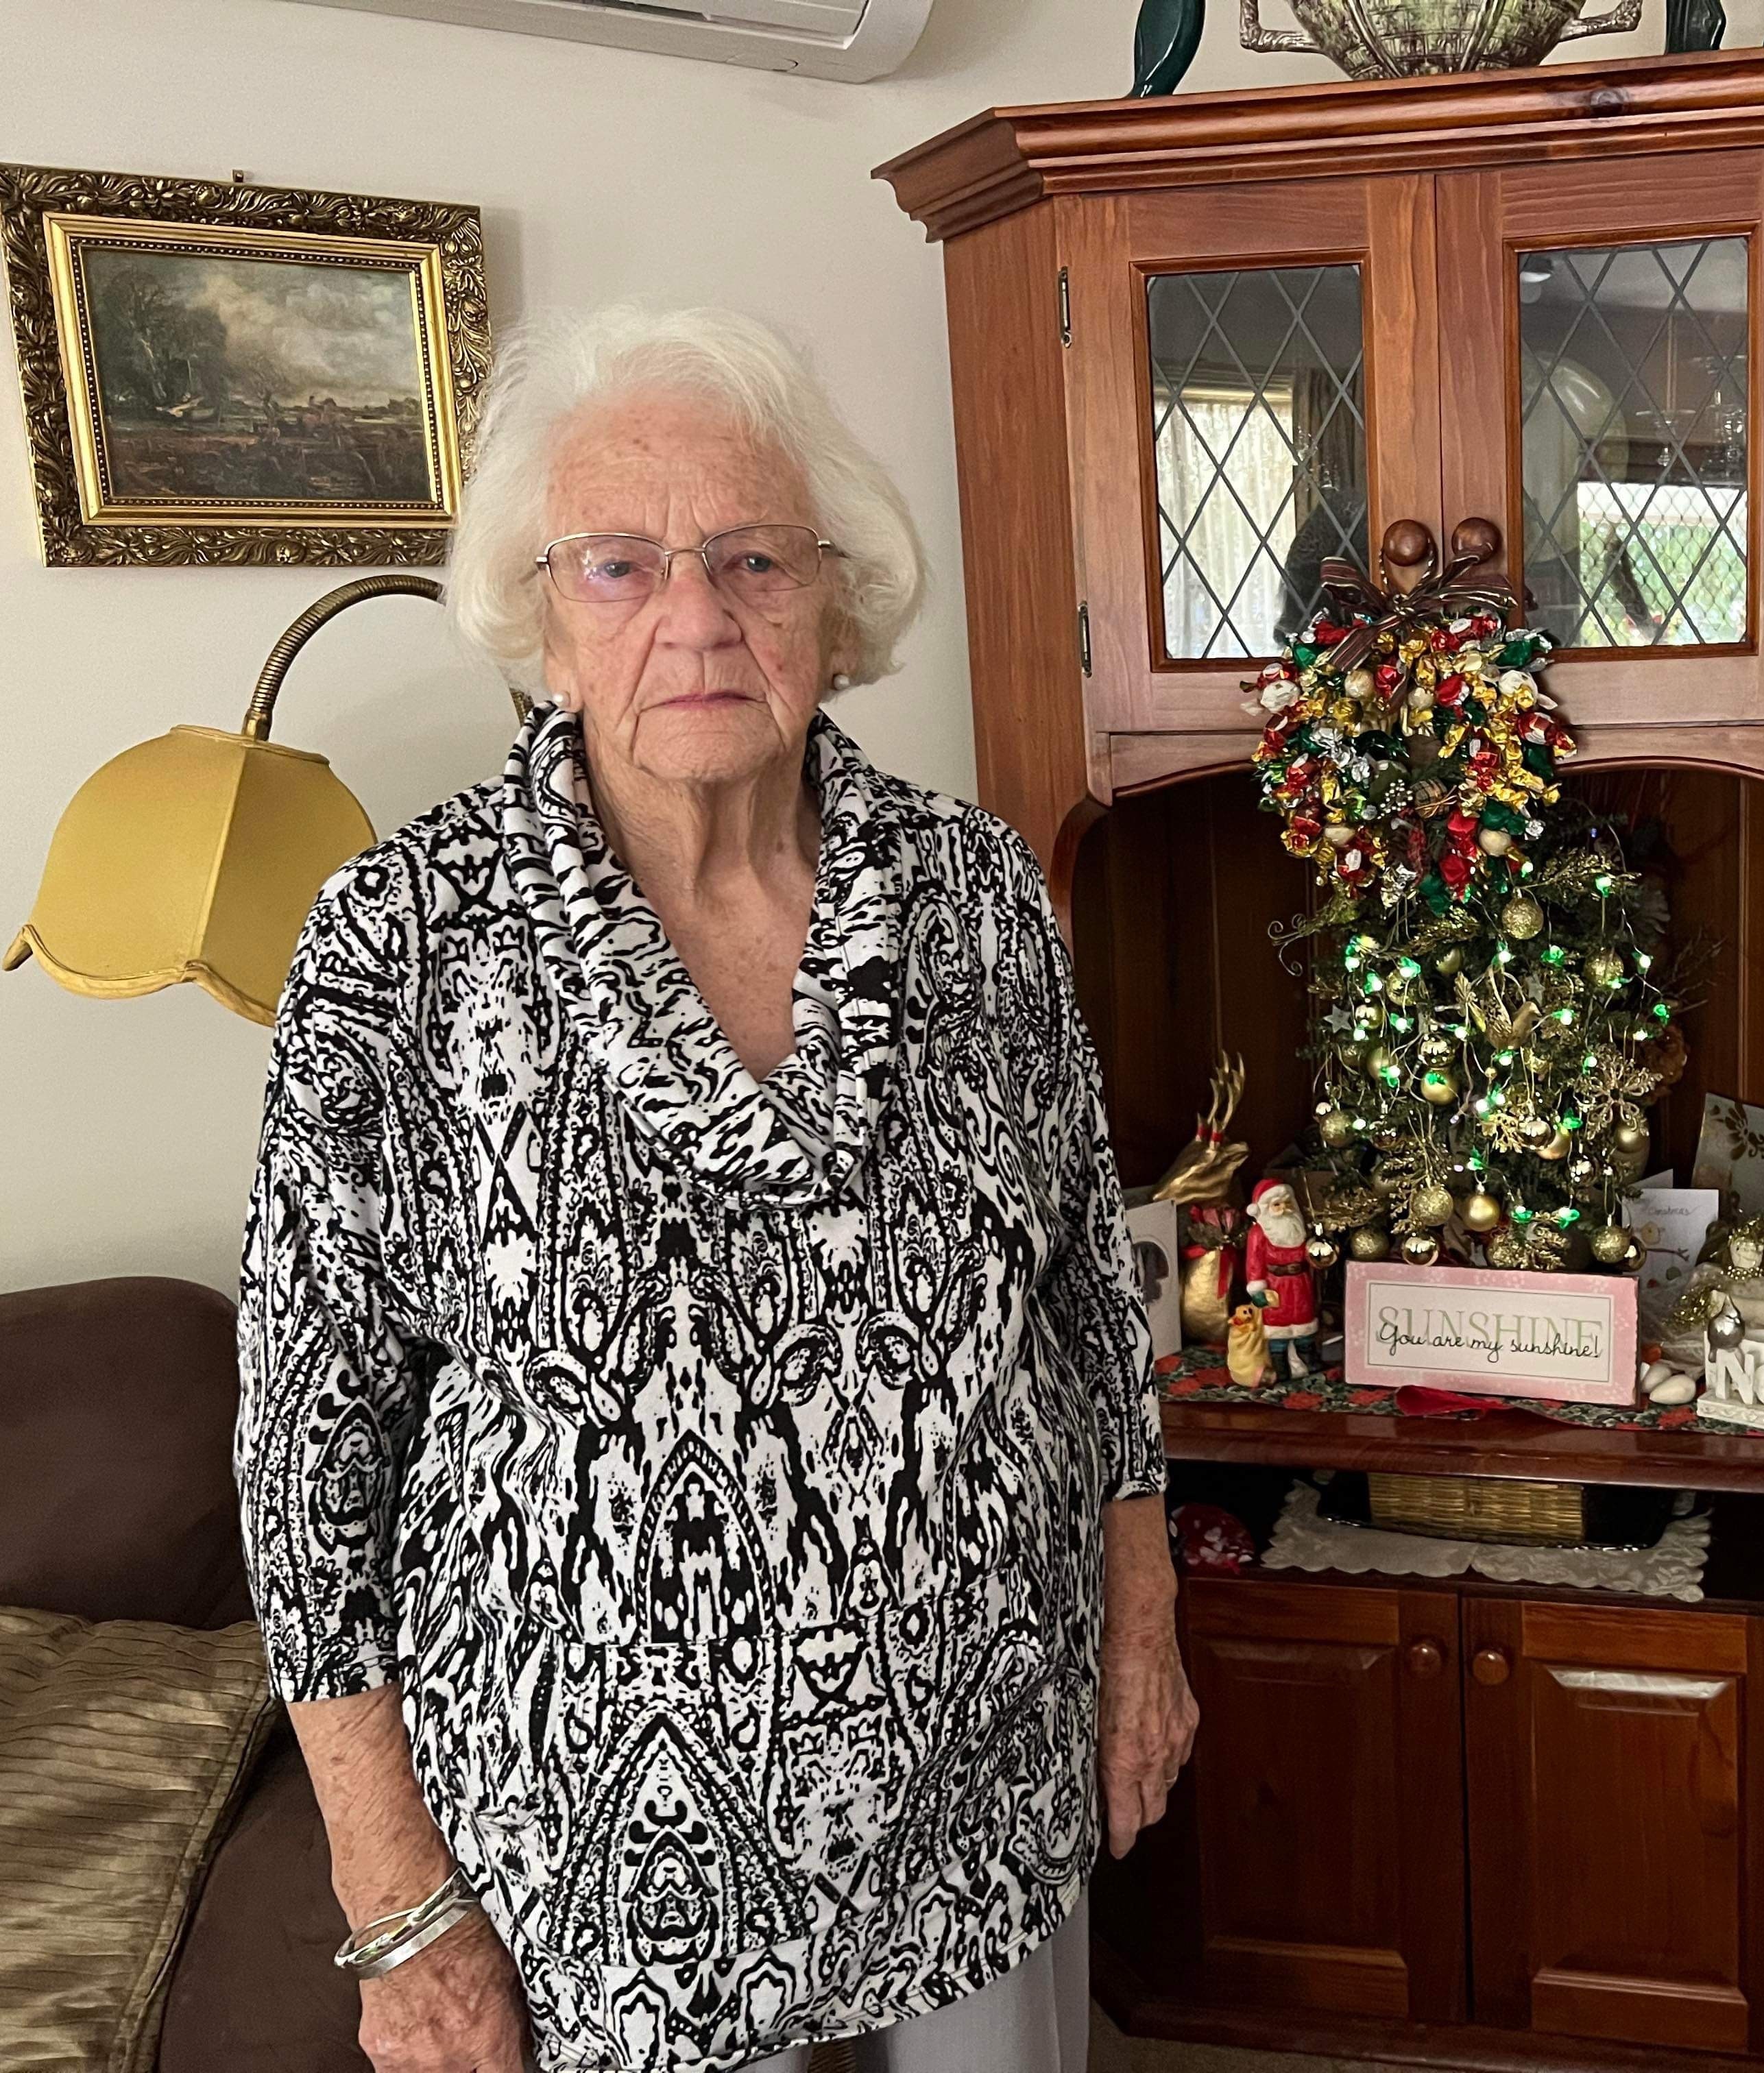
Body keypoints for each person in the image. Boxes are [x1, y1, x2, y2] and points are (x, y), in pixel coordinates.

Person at [234, 306, 1197, 2073]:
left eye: (754, 557)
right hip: (604, 1865)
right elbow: (313, 1461)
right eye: (620, 566)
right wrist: (395, 1899)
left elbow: (1078, 1292)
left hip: (978, 1781)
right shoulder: (403, 946)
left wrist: (1144, 1623)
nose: (697, 617)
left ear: (833, 595)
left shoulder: (977, 896)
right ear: (540, 616)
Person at [1239, 1178, 1319, 1381]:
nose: (1284, 1209)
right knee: (1278, 1328)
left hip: (1300, 1284)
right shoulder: (1259, 1233)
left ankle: (1308, 1357)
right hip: (1276, 1286)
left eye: (1287, 1203)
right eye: (1277, 1204)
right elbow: (1254, 1263)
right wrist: (1258, 1289)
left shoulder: (1298, 1227)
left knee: (1304, 1320)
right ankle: (1280, 1364)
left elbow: (1305, 1253)